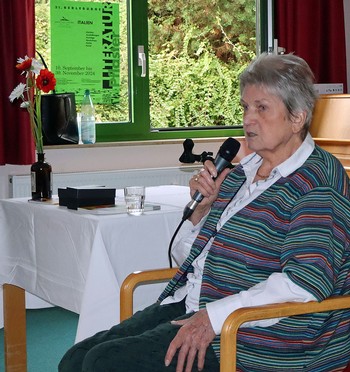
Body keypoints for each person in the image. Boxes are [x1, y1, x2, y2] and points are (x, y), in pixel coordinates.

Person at [59, 53, 350, 372]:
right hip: (198, 305)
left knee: (103, 364)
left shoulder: (318, 182)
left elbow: (304, 284)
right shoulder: (242, 174)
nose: (248, 120)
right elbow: (189, 261)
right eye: (245, 107)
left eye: (261, 108)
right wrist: (202, 212)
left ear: (297, 117)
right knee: (75, 360)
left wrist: (213, 317)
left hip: (258, 337)